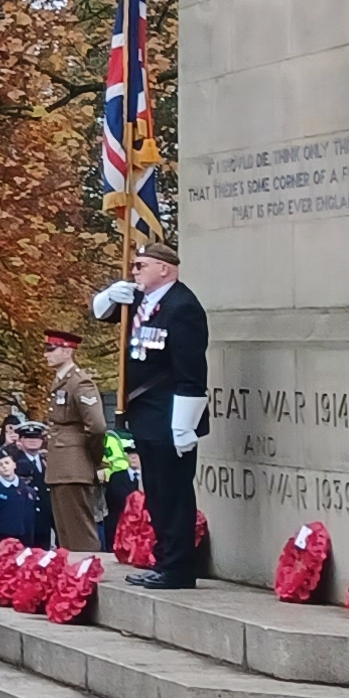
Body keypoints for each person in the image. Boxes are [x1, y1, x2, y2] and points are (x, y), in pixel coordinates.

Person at [88, 244, 210, 587]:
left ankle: (179, 567)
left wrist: (185, 424)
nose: (135, 271)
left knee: (173, 493)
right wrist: (110, 295)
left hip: (171, 415)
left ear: (165, 268)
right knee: (155, 491)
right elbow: (101, 314)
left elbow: (191, 370)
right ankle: (165, 559)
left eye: (141, 265)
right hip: (146, 412)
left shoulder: (182, 307)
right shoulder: (142, 301)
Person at [38, 331, 111, 552]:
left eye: (52, 349)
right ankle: (73, 580)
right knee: (66, 533)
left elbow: (97, 427)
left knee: (79, 532)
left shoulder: (80, 383)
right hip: (62, 464)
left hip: (74, 464)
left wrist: (94, 459)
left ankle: (87, 576)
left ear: (68, 351)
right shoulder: (61, 381)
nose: (46, 354)